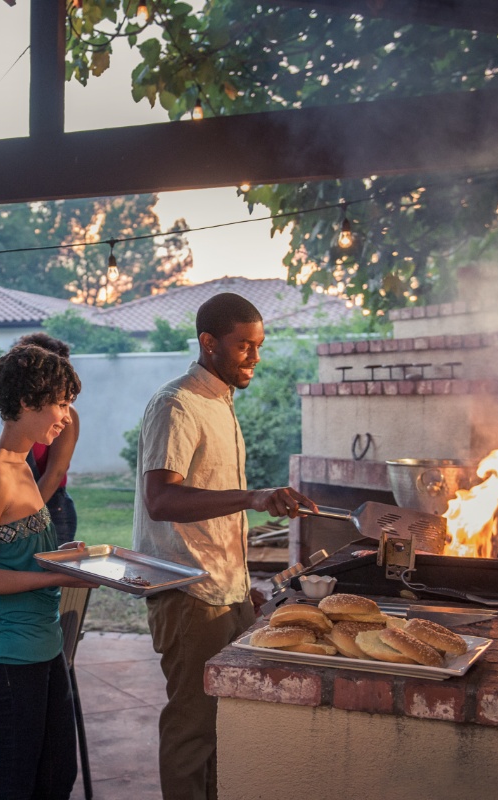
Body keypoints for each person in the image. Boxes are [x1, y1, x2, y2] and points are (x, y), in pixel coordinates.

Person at [132, 293, 317, 800]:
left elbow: (212, 509)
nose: (255, 358)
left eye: (259, 346)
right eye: (244, 347)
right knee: (192, 730)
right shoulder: (177, 403)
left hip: (224, 592)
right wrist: (256, 496)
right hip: (187, 593)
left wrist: (243, 587)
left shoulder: (220, 403)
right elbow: (162, 498)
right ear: (208, 343)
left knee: (223, 728)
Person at [0, 344, 98, 800]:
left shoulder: (24, 466)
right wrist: (55, 577)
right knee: (16, 787)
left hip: (44, 646)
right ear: (29, 402)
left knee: (56, 778)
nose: (66, 417)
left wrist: (64, 556)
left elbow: (14, 550)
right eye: (61, 403)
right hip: (9, 656)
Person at [0, 332, 80, 544]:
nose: (67, 417)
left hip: (52, 502)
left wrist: (28, 519)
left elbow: (55, 473)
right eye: (61, 404)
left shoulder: (18, 468)